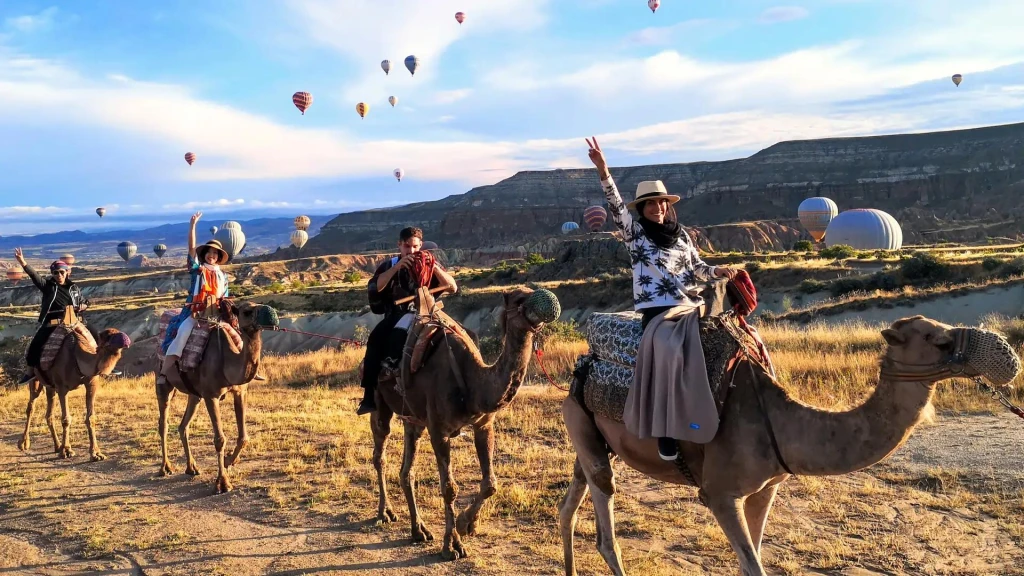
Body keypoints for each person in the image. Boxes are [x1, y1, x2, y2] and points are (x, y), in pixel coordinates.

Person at [586, 136, 738, 461]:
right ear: (642, 207)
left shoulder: (681, 235)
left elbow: (698, 268)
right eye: (652, 203)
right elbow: (614, 207)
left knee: (732, 341)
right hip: (658, 312)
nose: (659, 208)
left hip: (690, 307)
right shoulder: (635, 234)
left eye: (663, 203)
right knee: (670, 354)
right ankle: (666, 432)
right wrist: (604, 171)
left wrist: (720, 272)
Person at [357, 226, 458, 415]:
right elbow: (375, 287)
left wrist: (433, 266)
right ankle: (369, 394)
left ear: (421, 246)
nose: (411, 251)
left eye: (415, 247)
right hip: (397, 314)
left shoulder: (430, 262)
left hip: (429, 313)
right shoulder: (389, 264)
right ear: (399, 245)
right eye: (407, 247)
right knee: (376, 340)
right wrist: (397, 267)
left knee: (465, 336)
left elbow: (452, 287)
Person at [158, 211, 254, 388]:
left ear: (219, 257)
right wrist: (193, 225)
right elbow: (191, 249)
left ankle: (246, 370)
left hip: (217, 313)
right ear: (205, 255)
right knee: (182, 334)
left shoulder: (223, 276)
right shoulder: (198, 270)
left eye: (215, 253)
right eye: (209, 253)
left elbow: (224, 296)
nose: (212, 255)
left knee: (238, 337)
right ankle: (165, 373)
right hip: (196, 313)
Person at [13, 249, 89, 383]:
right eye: (55, 273)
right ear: (52, 274)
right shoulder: (48, 286)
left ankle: (104, 364)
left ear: (67, 272)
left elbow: (84, 301)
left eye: (61, 272)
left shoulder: (74, 288)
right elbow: (34, 275)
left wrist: (84, 306)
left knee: (96, 336)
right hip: (53, 323)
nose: (59, 275)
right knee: (35, 345)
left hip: (74, 322)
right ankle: (30, 372)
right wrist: (22, 262)